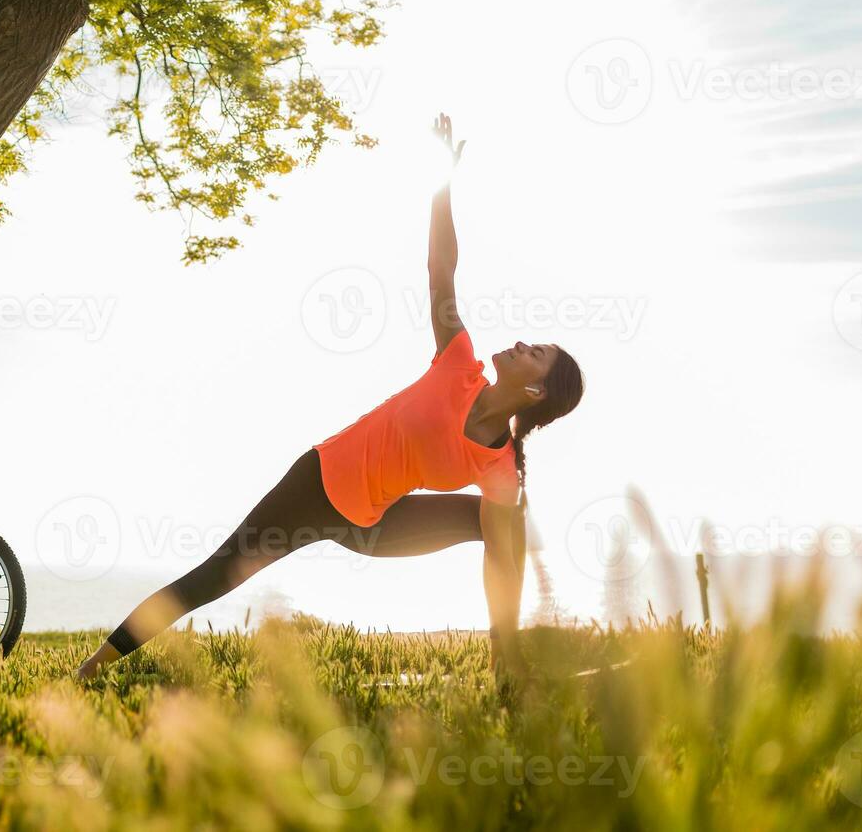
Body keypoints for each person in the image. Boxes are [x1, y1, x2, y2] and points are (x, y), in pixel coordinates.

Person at [74, 114, 585, 683]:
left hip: (373, 526)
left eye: (534, 351)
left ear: (535, 391)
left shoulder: (497, 468)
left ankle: (505, 661)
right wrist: (443, 183)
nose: (520, 343)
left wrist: (503, 629)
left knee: (502, 526)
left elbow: (502, 556)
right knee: (215, 576)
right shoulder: (458, 363)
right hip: (313, 485)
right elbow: (442, 268)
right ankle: (93, 666)